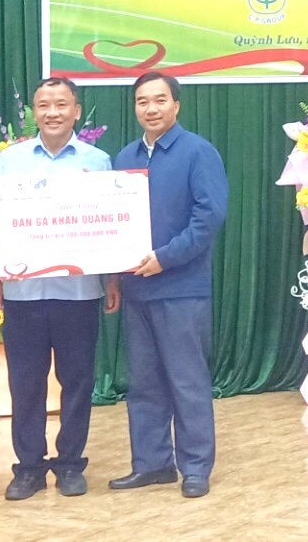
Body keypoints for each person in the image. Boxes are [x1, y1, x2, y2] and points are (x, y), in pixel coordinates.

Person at [0, 77, 122, 500]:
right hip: (23, 292)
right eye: (43, 105)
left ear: (76, 111)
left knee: (77, 381)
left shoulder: (98, 160)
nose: (52, 112)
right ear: (34, 112)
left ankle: (69, 464)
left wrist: (111, 278)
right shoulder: (11, 161)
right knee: (25, 384)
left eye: (61, 104)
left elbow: (110, 222)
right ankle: (28, 468)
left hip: (78, 292)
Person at [109, 71, 228, 499]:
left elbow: (209, 217)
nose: (151, 108)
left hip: (182, 289)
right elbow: (112, 223)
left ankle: (195, 467)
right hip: (136, 289)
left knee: (187, 381)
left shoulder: (198, 151)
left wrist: (165, 258)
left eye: (160, 100)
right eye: (142, 101)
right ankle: (152, 464)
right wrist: (114, 276)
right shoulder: (124, 157)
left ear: (176, 105)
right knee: (143, 384)